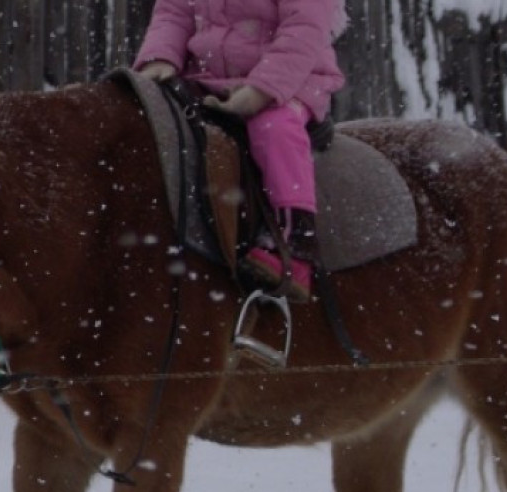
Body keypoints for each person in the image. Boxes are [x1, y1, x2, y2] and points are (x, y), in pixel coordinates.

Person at [133, 0, 347, 301]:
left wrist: (261, 90)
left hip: (292, 80)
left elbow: (304, 28)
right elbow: (174, 13)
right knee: (158, 126)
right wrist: (160, 58)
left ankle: (295, 243)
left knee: (274, 129)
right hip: (208, 79)